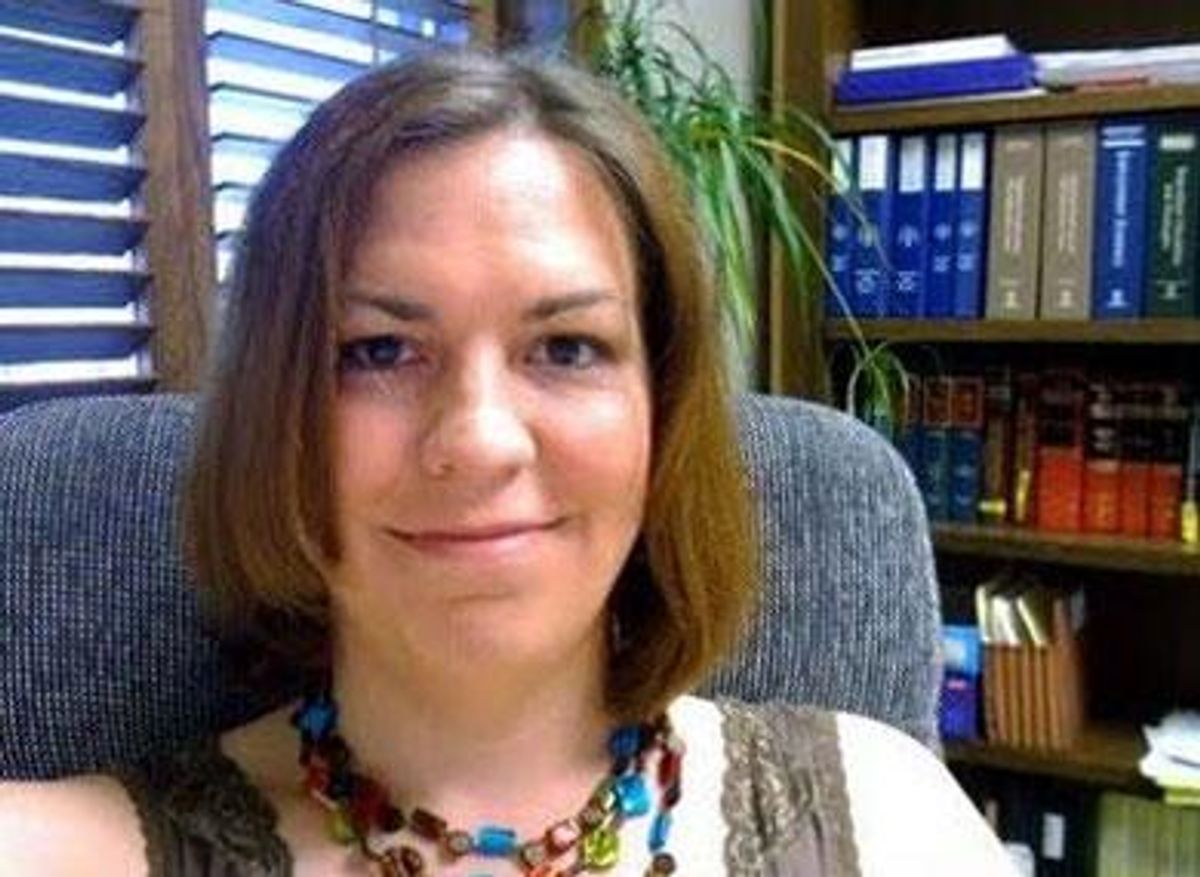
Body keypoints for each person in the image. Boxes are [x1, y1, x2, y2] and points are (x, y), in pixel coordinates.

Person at [0, 50, 1016, 876]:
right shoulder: (58, 849)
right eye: (379, 351)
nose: (480, 440)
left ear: (661, 410)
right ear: (276, 416)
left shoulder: (884, 816)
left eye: (566, 347)